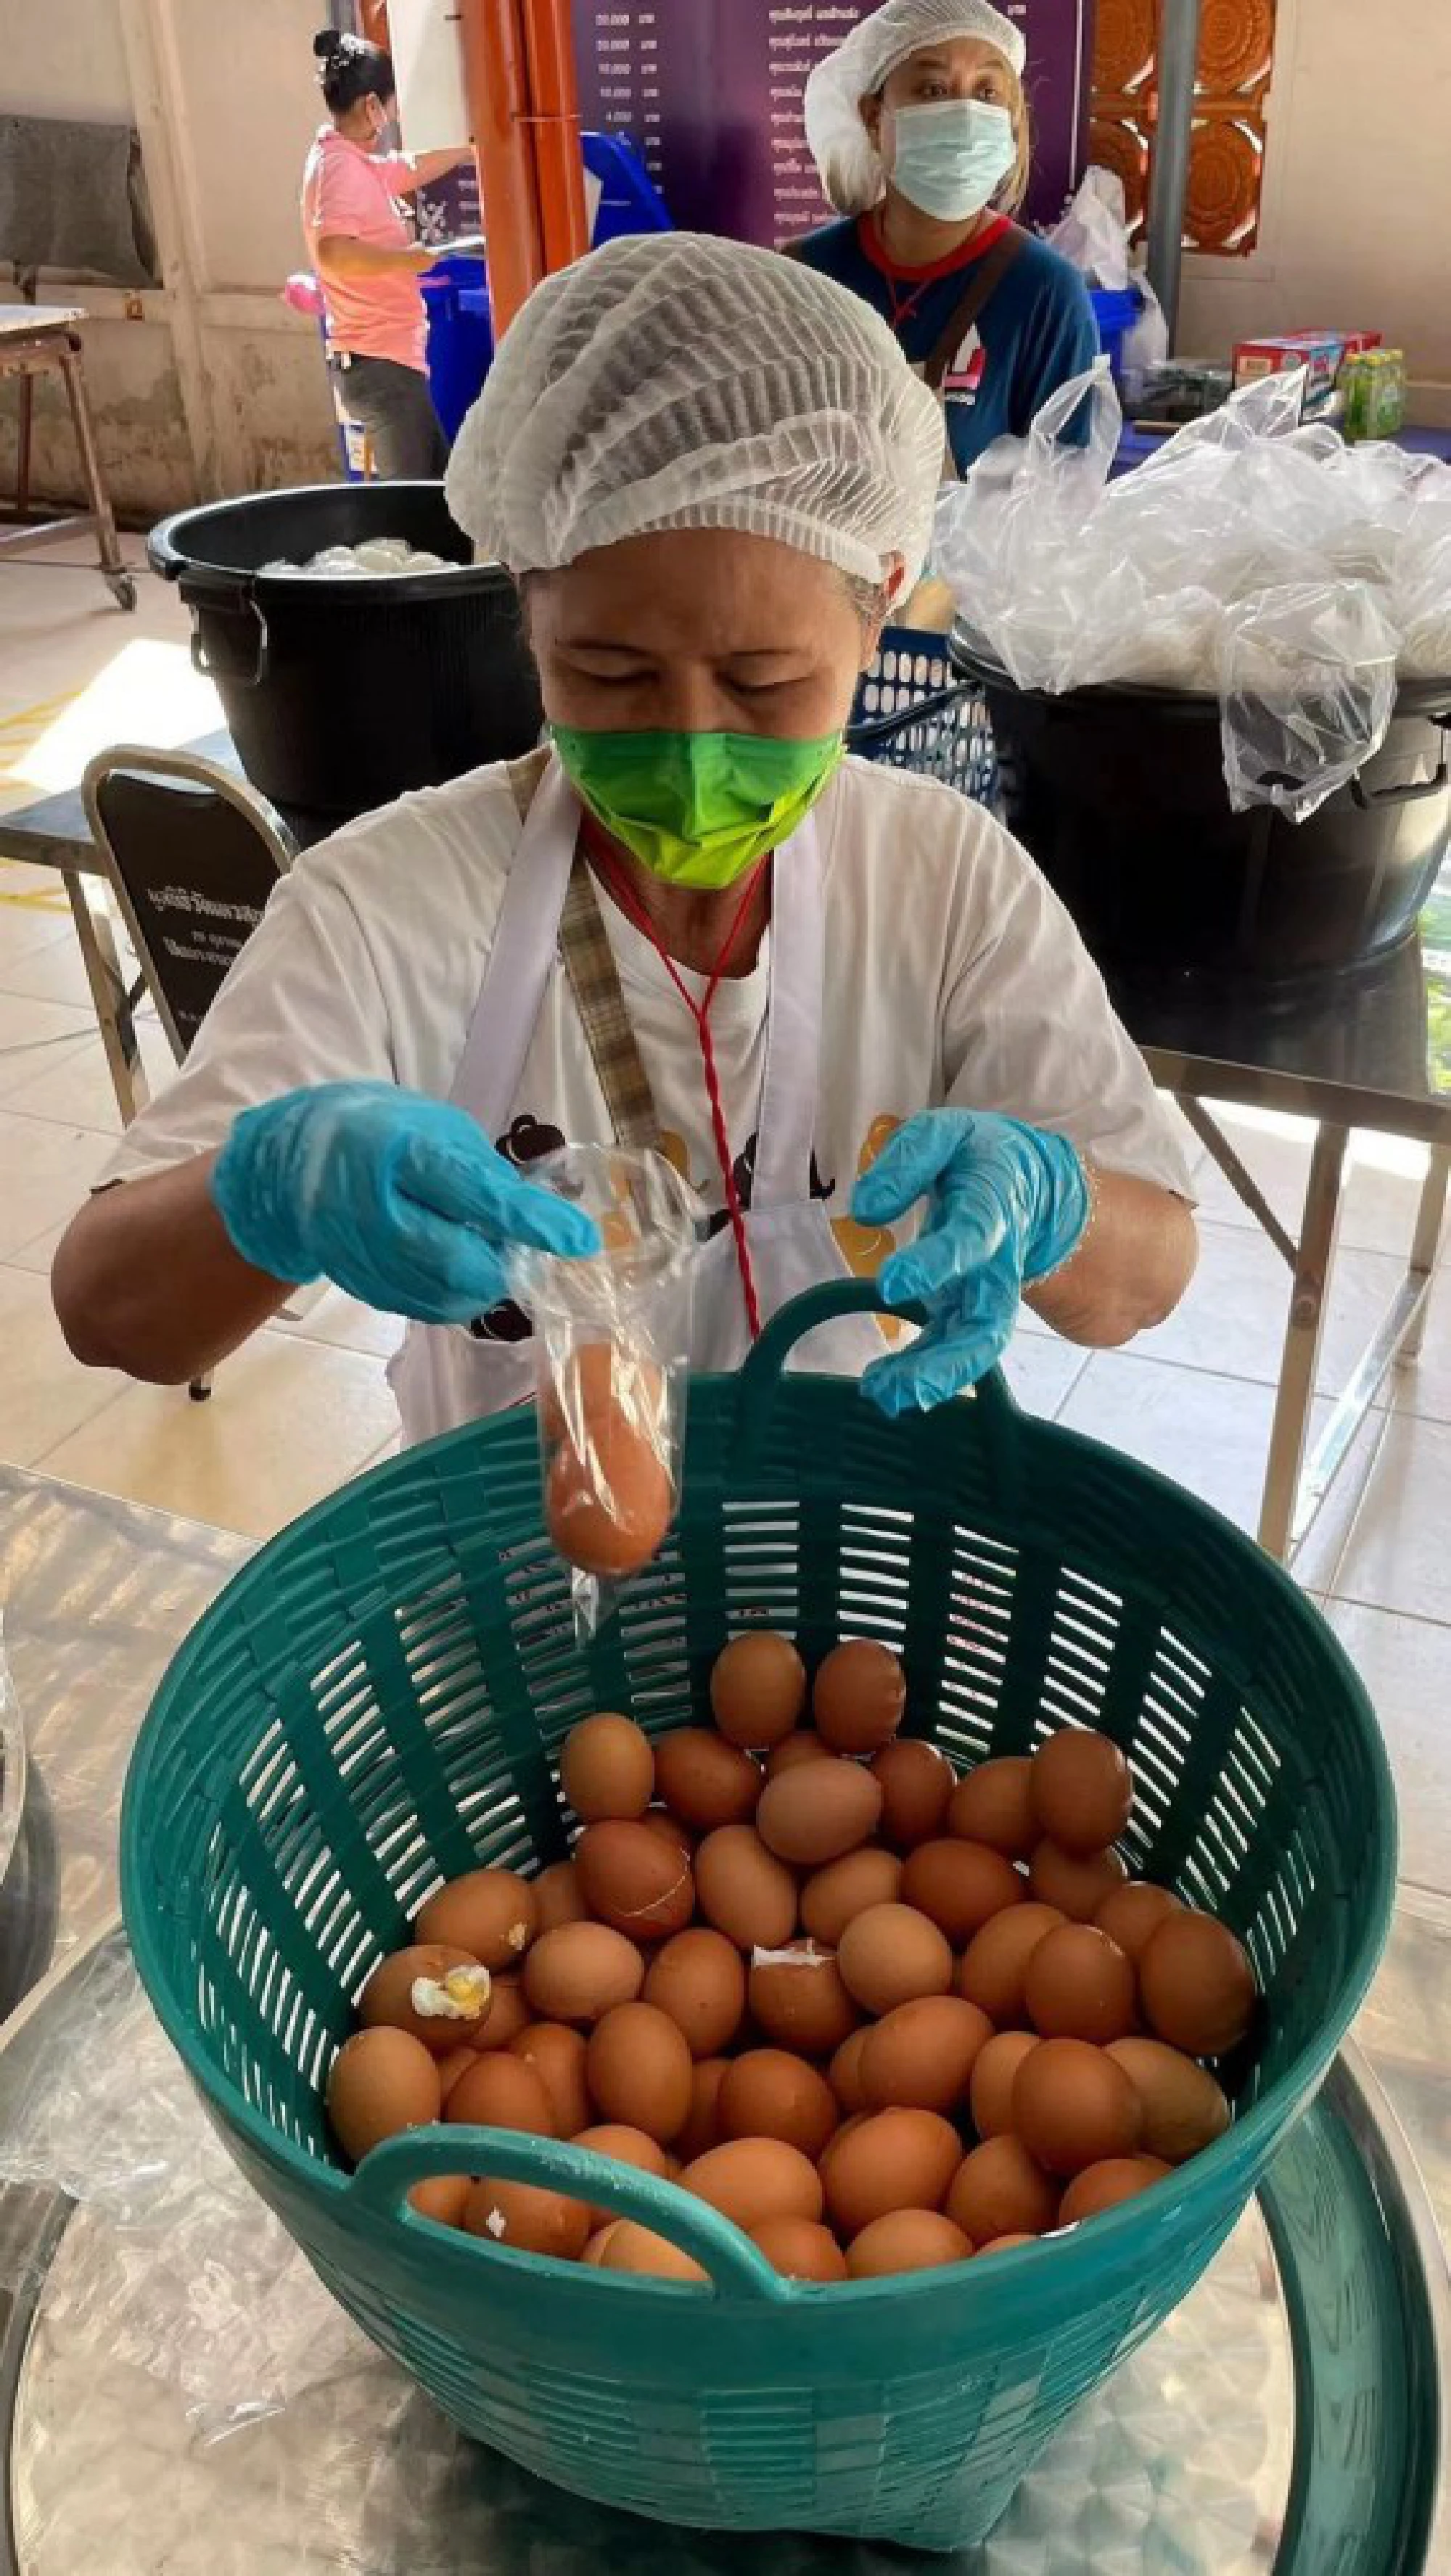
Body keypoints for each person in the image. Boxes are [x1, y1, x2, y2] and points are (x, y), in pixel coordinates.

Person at [52, 234, 1195, 1441]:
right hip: (517, 1583)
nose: (693, 747)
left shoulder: (943, 882)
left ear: (879, 613)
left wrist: (1054, 1213)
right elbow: (109, 1310)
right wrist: (264, 1201)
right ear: (525, 608)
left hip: (849, 1565)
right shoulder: (381, 909)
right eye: (610, 672)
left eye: (763, 684)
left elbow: (1150, 1271)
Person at [794, 0, 1099, 477]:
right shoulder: (805, 276)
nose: (964, 112)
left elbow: (1061, 504)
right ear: (874, 118)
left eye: (987, 91)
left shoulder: (1042, 291)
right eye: (932, 88)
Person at [302, 28, 470, 478]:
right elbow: (334, 251)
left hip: (387, 362)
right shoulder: (339, 168)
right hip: (380, 365)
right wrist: (407, 260)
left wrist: (472, 151)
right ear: (371, 106)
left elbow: (406, 168)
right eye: (392, 105)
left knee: (437, 493)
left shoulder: (347, 160)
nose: (394, 116)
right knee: (414, 510)